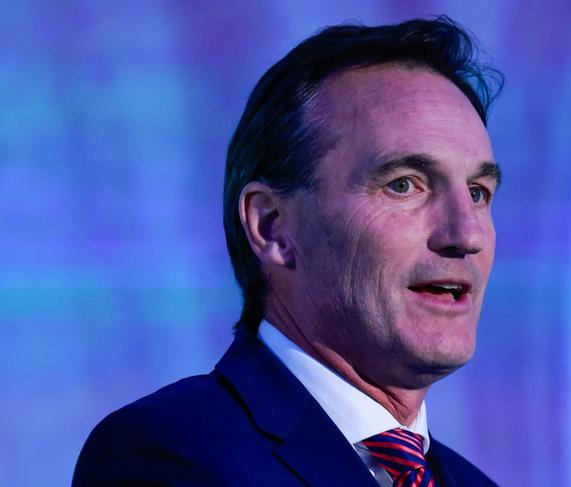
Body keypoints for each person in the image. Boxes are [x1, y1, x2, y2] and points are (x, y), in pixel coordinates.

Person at [73, 16, 503, 486]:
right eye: (404, 185)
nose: (467, 234)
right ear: (273, 227)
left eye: (479, 192)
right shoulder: (168, 454)